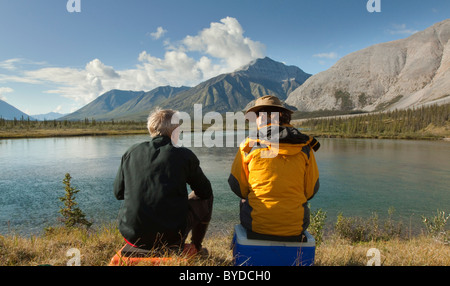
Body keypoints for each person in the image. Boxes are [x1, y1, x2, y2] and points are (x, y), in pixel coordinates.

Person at [114, 108, 213, 254]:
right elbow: (205, 192)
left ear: (151, 128)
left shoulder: (131, 152)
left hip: (132, 235)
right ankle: (196, 247)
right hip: (171, 237)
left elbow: (118, 193)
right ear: (175, 131)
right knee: (208, 198)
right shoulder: (184, 156)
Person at [228, 95, 320, 241]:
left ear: (262, 118)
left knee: (245, 201)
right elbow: (310, 190)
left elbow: (238, 186)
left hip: (257, 225)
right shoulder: (305, 146)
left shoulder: (249, 145)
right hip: (295, 226)